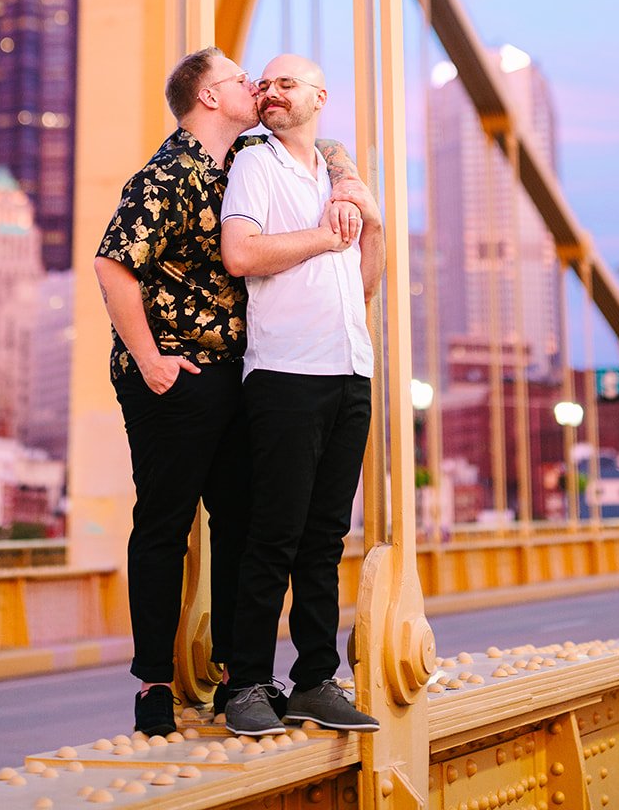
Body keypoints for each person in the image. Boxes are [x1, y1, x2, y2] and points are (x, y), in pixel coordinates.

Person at [93, 46, 361, 737]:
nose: (255, 86)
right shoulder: (165, 174)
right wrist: (150, 360)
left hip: (237, 373)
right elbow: (113, 264)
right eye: (241, 79)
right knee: (164, 525)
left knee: (242, 523)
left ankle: (242, 678)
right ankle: (154, 684)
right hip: (174, 375)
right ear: (209, 97)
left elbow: (322, 140)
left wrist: (344, 178)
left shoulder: (242, 158)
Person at [219, 53, 384, 737]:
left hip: (350, 370)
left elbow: (364, 282)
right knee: (273, 536)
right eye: (263, 84)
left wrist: (371, 225)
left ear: (320, 96)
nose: (270, 92)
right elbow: (240, 254)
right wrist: (325, 235)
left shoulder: (334, 171)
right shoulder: (254, 164)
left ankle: (315, 680)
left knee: (324, 540)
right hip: (286, 373)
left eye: (287, 83)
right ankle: (247, 683)